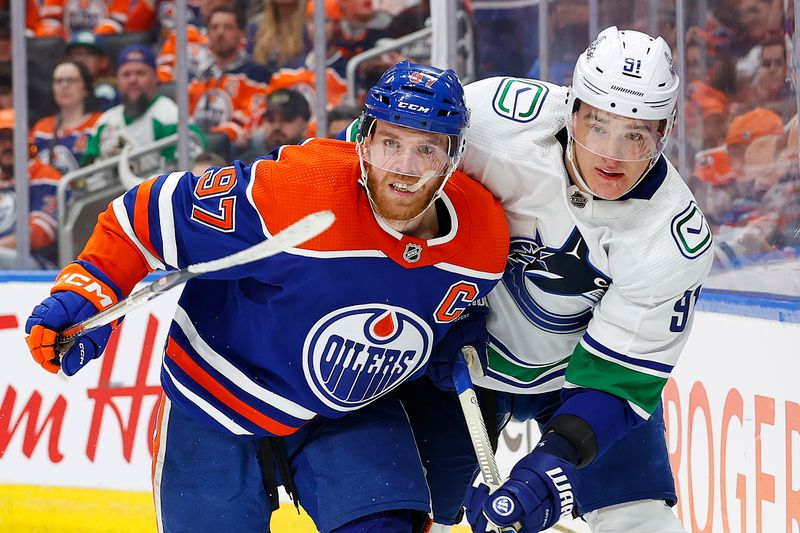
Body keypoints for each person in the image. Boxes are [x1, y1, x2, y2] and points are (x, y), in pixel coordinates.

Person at [24, 61, 509, 533]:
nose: (404, 169)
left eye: (427, 149)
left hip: (346, 415)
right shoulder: (296, 190)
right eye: (390, 143)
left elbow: (459, 313)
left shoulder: (483, 239)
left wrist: (451, 341)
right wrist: (86, 290)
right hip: (213, 399)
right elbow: (144, 216)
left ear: (454, 154)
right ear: (362, 140)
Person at [418, 26, 715, 532]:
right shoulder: (490, 122)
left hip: (577, 377)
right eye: (598, 126)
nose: (611, 155)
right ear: (572, 108)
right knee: (415, 503)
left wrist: (553, 463)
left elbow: (616, 380)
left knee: (637, 516)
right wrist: (423, 314)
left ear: (664, 134)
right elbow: (384, 176)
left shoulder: (669, 239)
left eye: (636, 134)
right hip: (459, 352)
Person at [84, 44, 206, 186]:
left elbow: (189, 170)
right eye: (126, 74)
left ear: (155, 78)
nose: (133, 80)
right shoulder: (105, 121)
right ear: (118, 80)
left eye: (140, 73)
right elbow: (88, 174)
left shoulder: (170, 116)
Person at [0, 108, 62, 269]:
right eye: (1, 139)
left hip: (37, 264)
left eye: (13, 138)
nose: (7, 145)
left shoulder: (44, 175)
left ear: (27, 141)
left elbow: (41, 232)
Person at [30, 60, 102, 176]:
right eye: (58, 81)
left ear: (85, 87)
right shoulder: (41, 127)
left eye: (71, 80)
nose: (64, 86)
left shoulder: (99, 122)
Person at [239, 88, 310, 161]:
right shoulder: (244, 164)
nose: (277, 126)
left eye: (287, 119)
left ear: (305, 124)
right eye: (270, 119)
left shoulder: (315, 163)